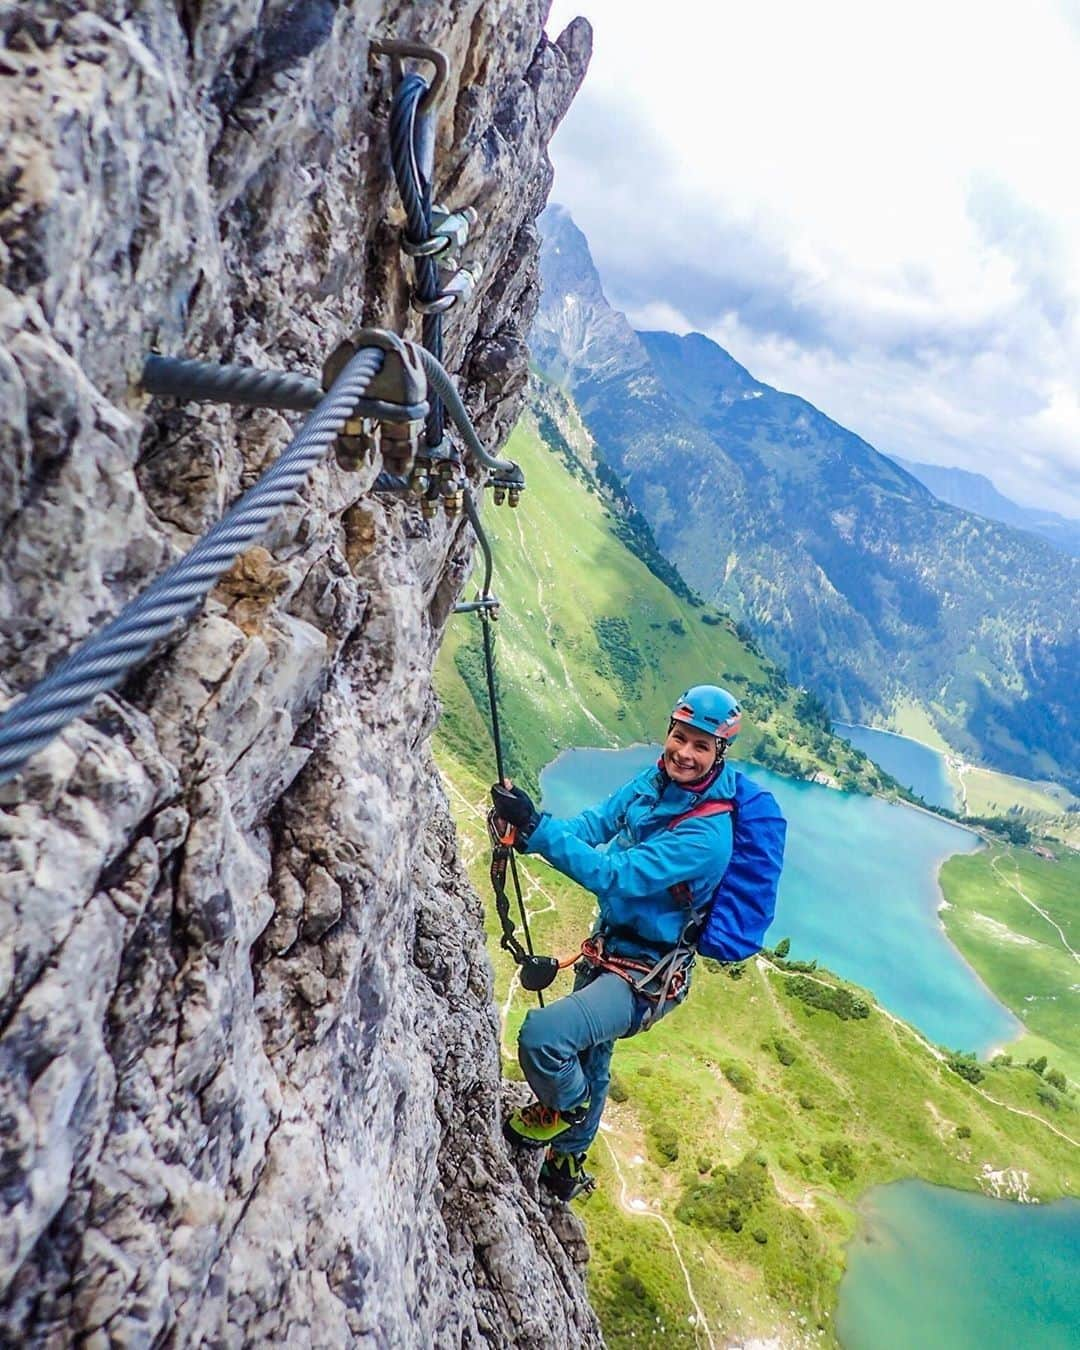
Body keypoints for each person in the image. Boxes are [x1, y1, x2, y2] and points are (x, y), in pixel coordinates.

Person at [489, 684, 741, 1202]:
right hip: (611, 949)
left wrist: (537, 828)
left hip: (646, 976)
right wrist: (529, 833)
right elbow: (595, 824)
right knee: (593, 1057)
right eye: (679, 737)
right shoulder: (653, 782)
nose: (684, 753)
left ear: (719, 754)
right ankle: (566, 1162)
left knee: (545, 1037)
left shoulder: (706, 837)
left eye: (700, 745)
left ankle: (569, 1108)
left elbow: (616, 875)